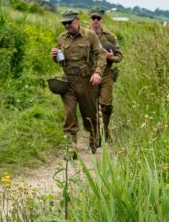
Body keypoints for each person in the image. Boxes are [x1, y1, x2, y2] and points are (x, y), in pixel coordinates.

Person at [51, 10, 106, 154]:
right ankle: (71, 149)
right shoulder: (61, 38)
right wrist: (54, 56)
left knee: (89, 113)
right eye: (64, 23)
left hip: (87, 81)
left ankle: (94, 138)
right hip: (68, 81)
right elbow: (59, 60)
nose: (67, 25)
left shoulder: (90, 36)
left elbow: (100, 55)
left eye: (69, 22)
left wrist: (97, 72)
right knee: (69, 113)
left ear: (77, 20)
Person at [88, 8, 122, 142]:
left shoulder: (110, 36)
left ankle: (106, 129)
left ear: (102, 20)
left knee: (106, 105)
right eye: (93, 18)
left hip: (106, 74)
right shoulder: (85, 34)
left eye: (98, 18)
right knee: (91, 106)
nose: (96, 21)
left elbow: (120, 56)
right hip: (90, 74)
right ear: (90, 19)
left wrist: (111, 57)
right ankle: (95, 134)